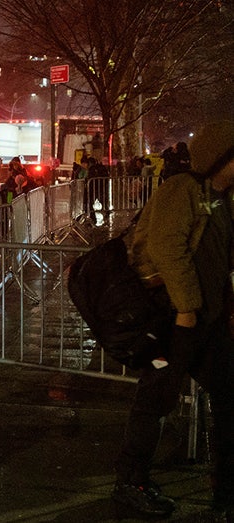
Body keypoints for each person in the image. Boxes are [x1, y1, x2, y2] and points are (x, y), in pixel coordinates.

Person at [112, 121, 234, 518]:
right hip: (176, 320)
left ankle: (226, 488)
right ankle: (132, 482)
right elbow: (167, 246)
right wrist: (186, 308)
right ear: (223, 158)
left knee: (229, 397)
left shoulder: (222, 198)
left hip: (208, 320)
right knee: (155, 400)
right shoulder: (181, 191)